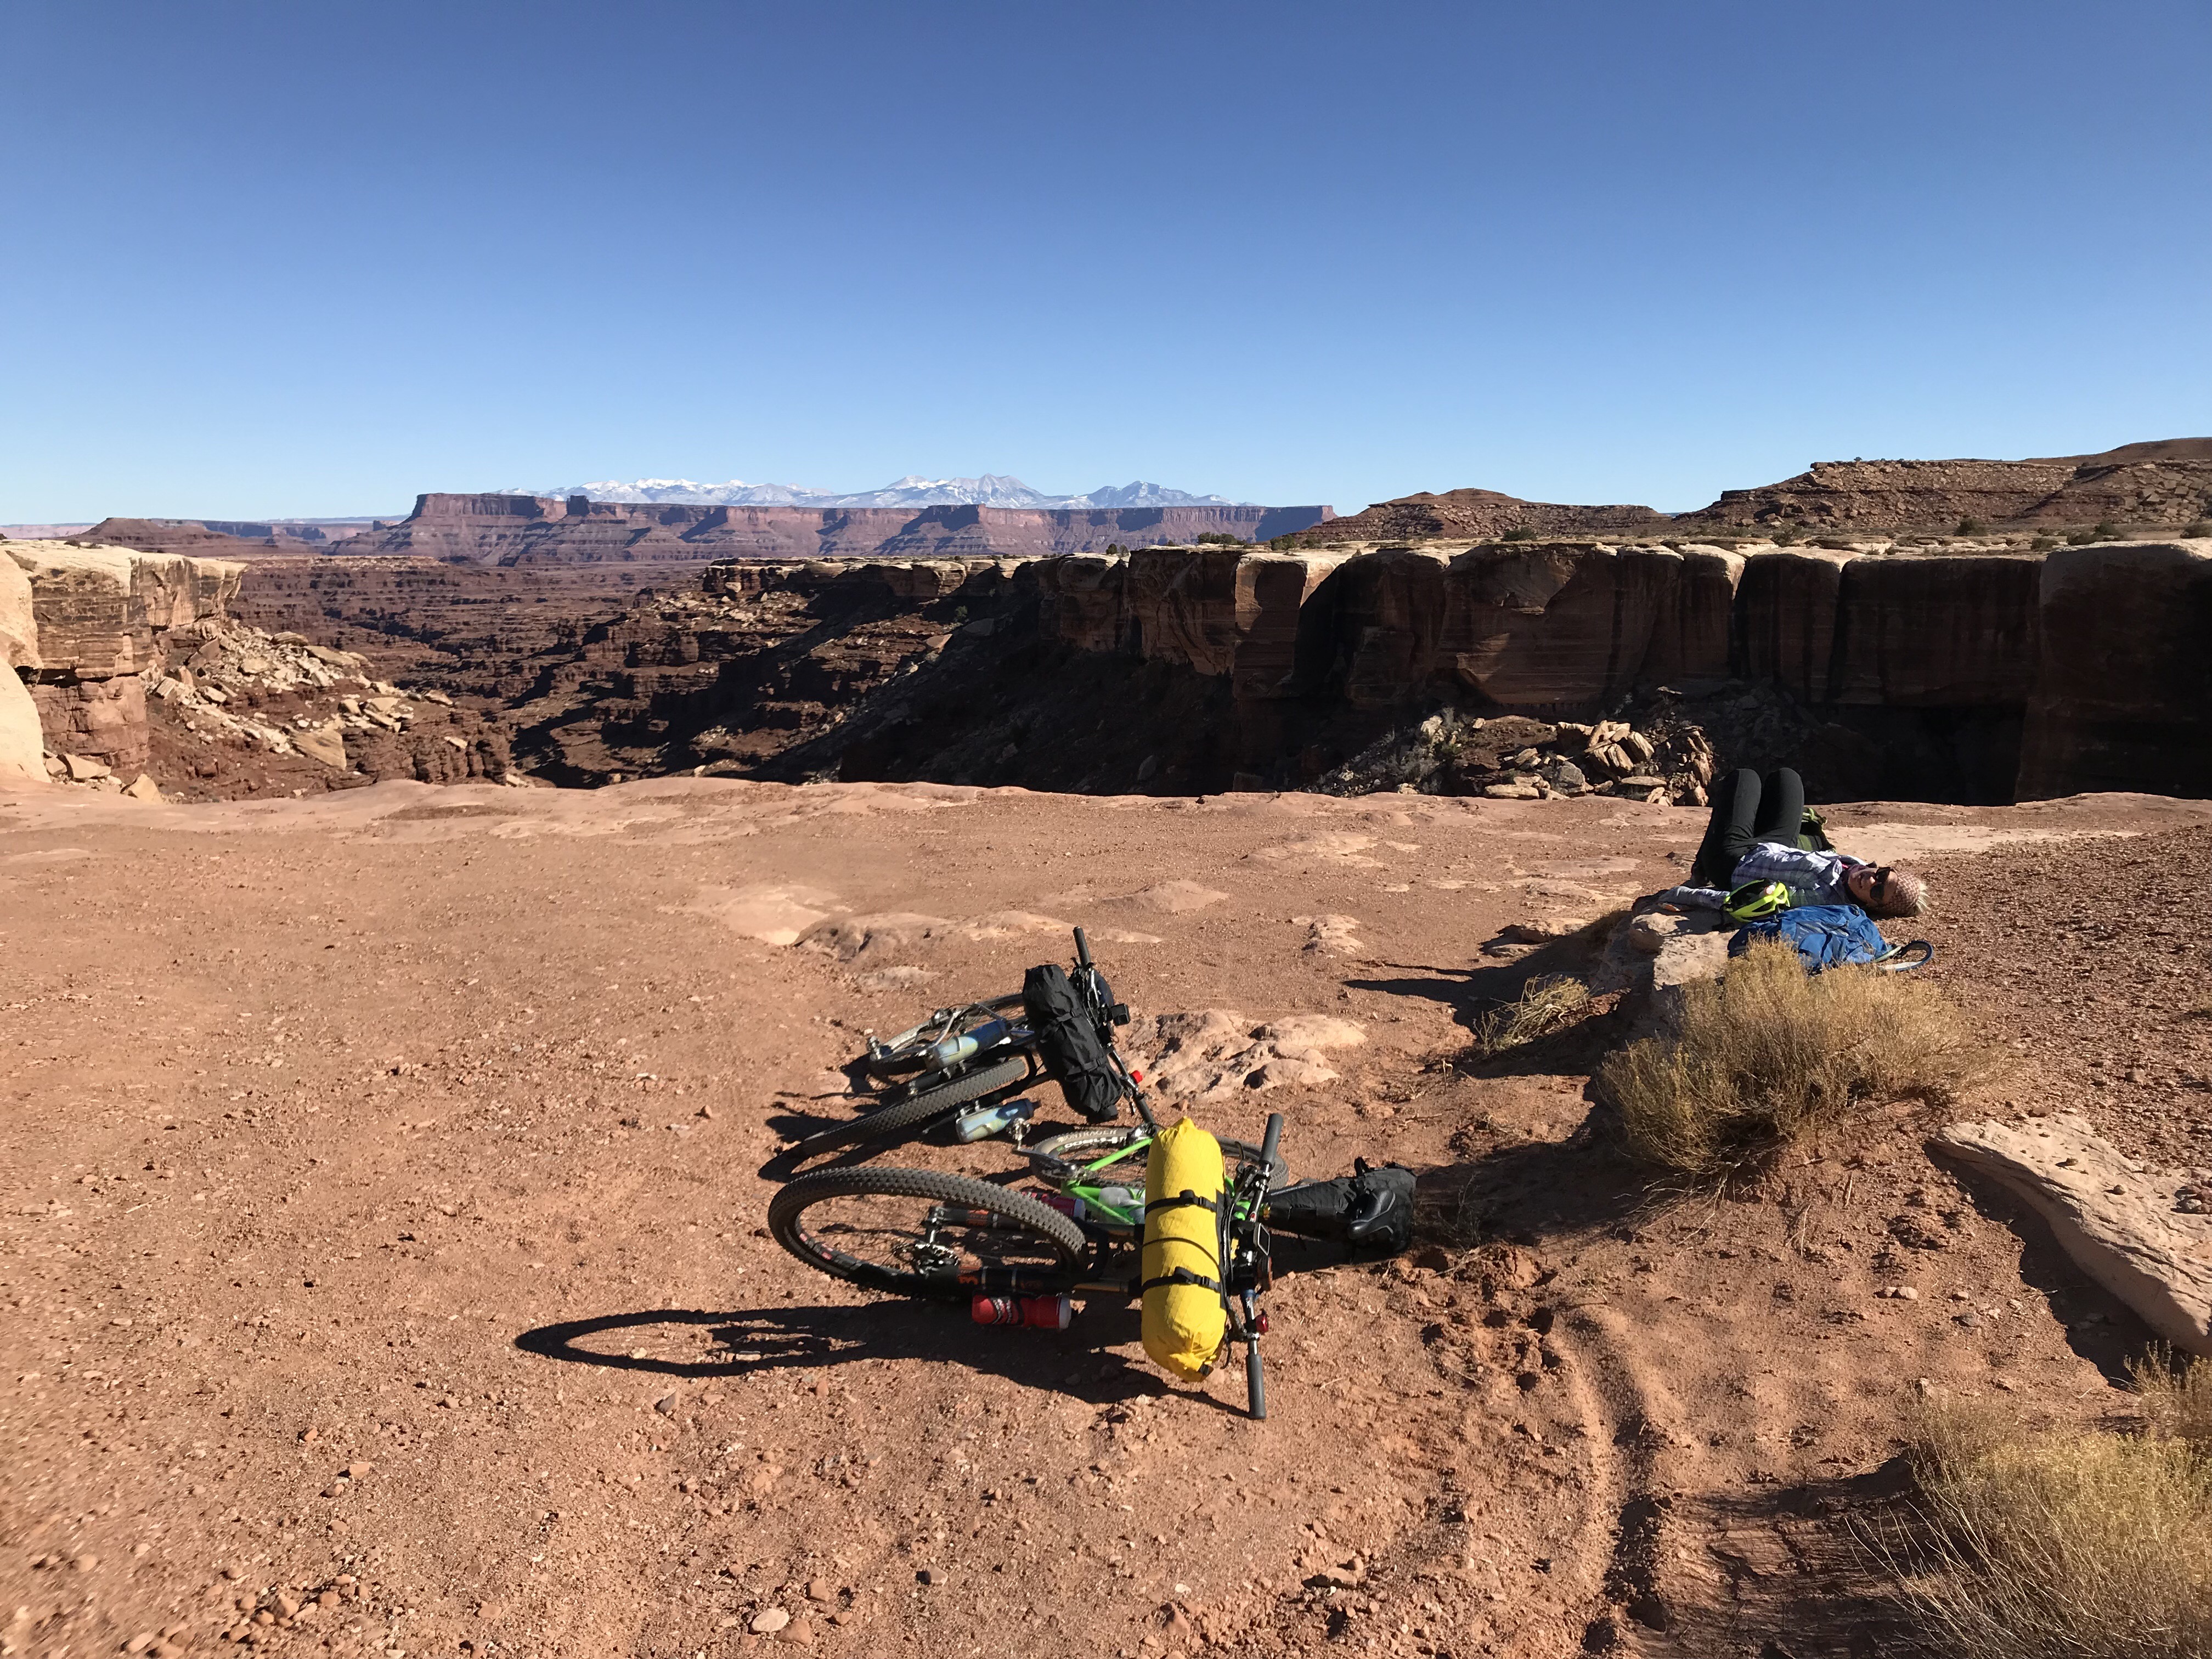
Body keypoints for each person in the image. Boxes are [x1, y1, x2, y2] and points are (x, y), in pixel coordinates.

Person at [1664, 766, 1927, 918]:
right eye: (1882, 875)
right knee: (1786, 778)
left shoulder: (1823, 898)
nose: (1871, 881)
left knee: (1744, 778)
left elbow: (1747, 900)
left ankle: (1703, 866)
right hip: (1776, 846)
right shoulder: (1855, 866)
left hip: (1732, 862)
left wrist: (1683, 894)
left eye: (1878, 891)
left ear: (1871, 905)